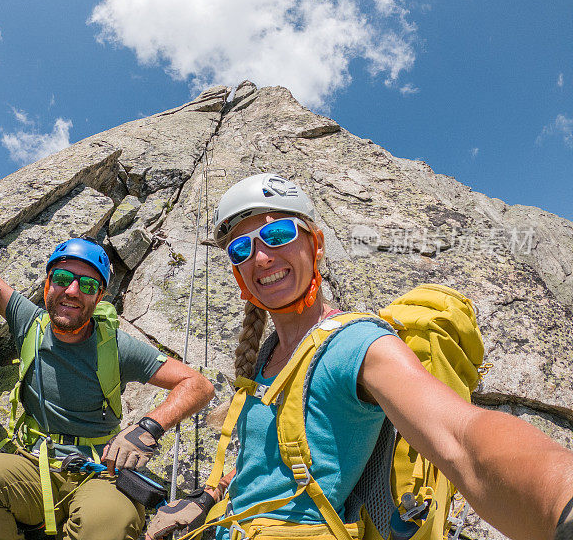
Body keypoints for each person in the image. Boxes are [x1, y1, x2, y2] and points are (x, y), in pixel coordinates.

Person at [145, 173, 573, 540]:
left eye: (278, 235)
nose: (260, 256)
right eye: (241, 249)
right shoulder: (267, 358)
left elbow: (461, 435)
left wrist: (561, 500)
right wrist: (206, 499)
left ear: (316, 245)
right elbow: (264, 470)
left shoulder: (357, 343)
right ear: (238, 274)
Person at [0, 237, 215, 540]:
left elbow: (198, 384)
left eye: (88, 285)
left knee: (109, 523)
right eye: (62, 278)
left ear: (99, 297)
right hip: (34, 464)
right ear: (48, 284)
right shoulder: (30, 323)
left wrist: (148, 428)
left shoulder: (114, 346)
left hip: (99, 472)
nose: (72, 291)